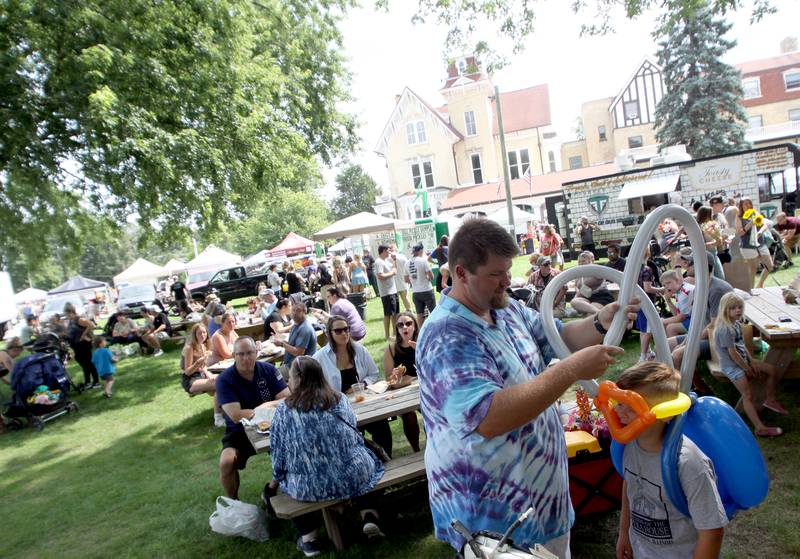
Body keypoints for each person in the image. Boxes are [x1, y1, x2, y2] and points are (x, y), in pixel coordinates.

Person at [416, 218, 640, 555]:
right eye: (496, 274)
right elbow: (488, 416)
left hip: (541, 500)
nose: (507, 281)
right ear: (460, 273)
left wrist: (599, 321)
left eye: (508, 270)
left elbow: (559, 337)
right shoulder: (447, 335)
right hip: (492, 520)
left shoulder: (505, 309)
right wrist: (570, 371)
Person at [267, 356, 385, 556]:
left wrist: (278, 478)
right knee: (370, 465)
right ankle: (369, 515)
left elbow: (278, 454)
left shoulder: (284, 410)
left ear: (300, 378)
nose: (288, 381)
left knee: (288, 481)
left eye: (291, 377)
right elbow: (354, 435)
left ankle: (309, 537)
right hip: (351, 476)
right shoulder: (339, 399)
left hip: (310, 487)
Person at [614, 361, 727, 559]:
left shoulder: (688, 463)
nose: (619, 412)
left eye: (631, 407)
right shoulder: (630, 445)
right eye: (619, 403)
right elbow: (630, 485)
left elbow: (712, 531)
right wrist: (624, 532)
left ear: (665, 413)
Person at [217, 337, 290, 499]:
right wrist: (263, 409)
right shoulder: (224, 379)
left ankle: (274, 489)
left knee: (293, 450)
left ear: (257, 353)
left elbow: (287, 398)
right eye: (240, 354)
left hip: (274, 427)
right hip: (240, 432)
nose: (246, 358)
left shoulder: (269, 370)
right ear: (233, 356)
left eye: (249, 353)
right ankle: (234, 503)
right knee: (226, 462)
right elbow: (236, 415)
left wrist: (266, 406)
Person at [312, 316, 392, 456]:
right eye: (338, 331)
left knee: (382, 427)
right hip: (338, 410)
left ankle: (387, 460)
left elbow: (373, 373)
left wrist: (363, 384)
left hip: (364, 402)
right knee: (352, 436)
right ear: (329, 333)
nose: (344, 333)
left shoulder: (360, 350)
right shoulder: (319, 358)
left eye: (346, 329)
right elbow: (314, 389)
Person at [713, 292, 786, 437]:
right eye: (733, 308)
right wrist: (747, 368)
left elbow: (740, 345)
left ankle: (770, 400)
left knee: (771, 370)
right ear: (724, 309)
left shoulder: (736, 323)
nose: (737, 310)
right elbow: (733, 354)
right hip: (731, 366)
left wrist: (751, 360)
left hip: (743, 360)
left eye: (740, 307)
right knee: (747, 394)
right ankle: (760, 428)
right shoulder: (725, 329)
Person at [383, 312, 421, 452]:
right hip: (403, 392)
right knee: (409, 415)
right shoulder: (391, 349)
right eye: (400, 325)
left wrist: (421, 351)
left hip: (423, 390)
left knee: (431, 411)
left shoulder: (423, 342)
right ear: (397, 329)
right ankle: (416, 450)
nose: (405, 327)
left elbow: (436, 368)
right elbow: (389, 380)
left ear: (415, 326)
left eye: (409, 323)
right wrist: (394, 376)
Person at [180, 323, 225, 426]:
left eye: (204, 332)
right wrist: (198, 363)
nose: (202, 335)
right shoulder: (189, 348)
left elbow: (204, 367)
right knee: (219, 385)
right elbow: (187, 371)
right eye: (199, 333)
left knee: (224, 379)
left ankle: (227, 411)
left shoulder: (203, 346)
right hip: (191, 379)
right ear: (194, 334)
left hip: (201, 375)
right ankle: (218, 419)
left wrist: (208, 373)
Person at [275, 303, 317, 380]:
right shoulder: (296, 325)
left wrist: (282, 344)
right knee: (270, 372)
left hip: (299, 369)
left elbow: (298, 352)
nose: (294, 313)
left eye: (298, 311)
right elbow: (293, 345)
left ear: (304, 312)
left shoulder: (305, 329)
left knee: (272, 377)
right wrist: (281, 341)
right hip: (290, 364)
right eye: (293, 310)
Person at [64, 302, 100, 389]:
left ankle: (96, 382)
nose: (66, 316)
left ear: (71, 312)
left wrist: (83, 336)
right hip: (76, 346)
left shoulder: (79, 319)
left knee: (88, 363)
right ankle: (87, 381)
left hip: (83, 345)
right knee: (84, 364)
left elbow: (91, 325)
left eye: (66, 314)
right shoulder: (70, 321)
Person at [570, 251, 614, 316]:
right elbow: (578, 290)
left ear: (591, 261)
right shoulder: (579, 275)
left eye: (583, 261)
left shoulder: (596, 271)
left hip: (601, 296)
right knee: (574, 302)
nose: (581, 263)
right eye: (579, 262)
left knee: (590, 314)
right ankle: (600, 312)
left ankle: (599, 313)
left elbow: (611, 275)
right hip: (588, 298)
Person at [405, 243, 436, 325]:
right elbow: (432, 276)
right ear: (420, 251)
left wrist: (414, 280)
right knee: (433, 312)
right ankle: (435, 328)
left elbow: (406, 279)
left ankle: (420, 331)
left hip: (416, 292)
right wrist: (426, 278)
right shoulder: (423, 260)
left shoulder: (407, 263)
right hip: (426, 290)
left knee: (419, 313)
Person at [374, 245, 399, 339]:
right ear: (384, 250)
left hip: (392, 290)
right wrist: (392, 273)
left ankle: (395, 333)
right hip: (387, 292)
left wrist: (394, 260)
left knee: (395, 313)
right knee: (388, 314)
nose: (390, 252)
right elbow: (380, 276)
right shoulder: (378, 262)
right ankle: (388, 335)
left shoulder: (386, 261)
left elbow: (395, 269)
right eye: (389, 250)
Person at [660, 270, 694, 337]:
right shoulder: (679, 291)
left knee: (671, 328)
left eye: (668, 283)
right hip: (690, 318)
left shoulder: (684, 292)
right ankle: (667, 345)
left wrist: (662, 321)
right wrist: (668, 300)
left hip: (697, 320)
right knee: (666, 324)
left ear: (677, 280)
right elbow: (677, 314)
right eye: (664, 285)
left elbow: (681, 318)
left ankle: (673, 346)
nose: (666, 287)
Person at [695, 206, 726, 280]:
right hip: (705, 256)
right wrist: (712, 243)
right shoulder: (698, 228)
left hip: (714, 254)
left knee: (720, 277)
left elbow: (718, 241)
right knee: (711, 278)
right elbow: (698, 245)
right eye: (711, 214)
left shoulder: (712, 226)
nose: (712, 215)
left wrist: (720, 239)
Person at [736, 197, 760, 289]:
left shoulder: (754, 214)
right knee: (751, 269)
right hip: (746, 245)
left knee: (753, 269)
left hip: (756, 245)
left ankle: (751, 288)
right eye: (745, 204)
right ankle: (750, 289)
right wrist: (750, 224)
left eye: (749, 203)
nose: (748, 205)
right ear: (741, 206)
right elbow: (740, 232)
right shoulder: (739, 217)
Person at [390, 245, 411, 312]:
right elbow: (408, 267)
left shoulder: (387, 258)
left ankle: (396, 312)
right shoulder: (402, 256)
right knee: (405, 298)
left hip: (393, 283)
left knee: (396, 300)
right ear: (396, 249)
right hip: (402, 281)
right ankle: (409, 310)